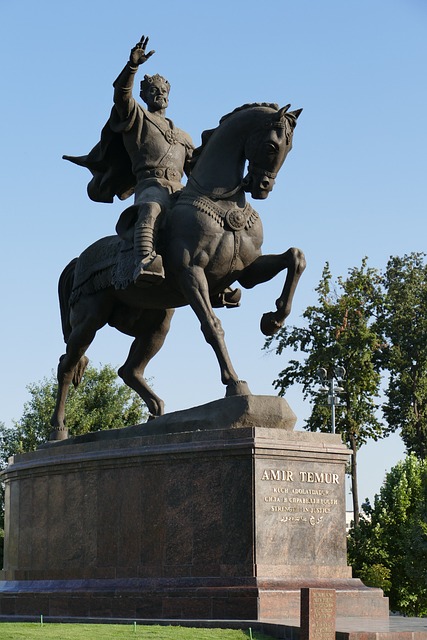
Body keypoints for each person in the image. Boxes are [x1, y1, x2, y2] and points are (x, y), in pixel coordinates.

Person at [65, 35, 194, 285]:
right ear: (145, 95)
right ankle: (145, 259)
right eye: (154, 91)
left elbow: (198, 170)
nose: (161, 94)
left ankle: (217, 274)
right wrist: (132, 67)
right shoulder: (137, 119)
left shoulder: (183, 136)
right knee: (151, 209)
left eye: (164, 91)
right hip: (151, 187)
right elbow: (121, 96)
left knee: (205, 217)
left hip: (180, 190)